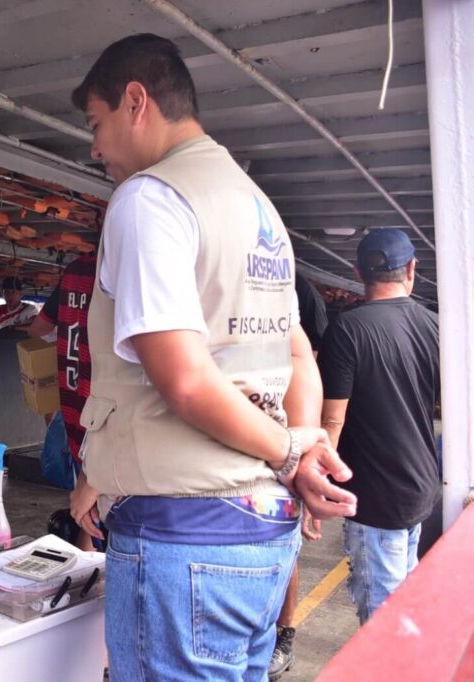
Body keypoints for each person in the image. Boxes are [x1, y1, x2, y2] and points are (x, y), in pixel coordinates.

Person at [66, 34, 357, 680]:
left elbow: (188, 381)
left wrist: (289, 452)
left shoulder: (150, 200)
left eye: (97, 123)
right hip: (262, 540)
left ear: (135, 101)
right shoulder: (259, 211)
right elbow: (297, 360)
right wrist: (297, 453)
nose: (94, 147)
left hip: (184, 538)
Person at [318, 228, 439, 625]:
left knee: (382, 623)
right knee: (404, 610)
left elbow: (332, 417)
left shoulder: (348, 329)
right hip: (420, 486)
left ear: (358, 272)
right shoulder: (435, 326)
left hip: (373, 498)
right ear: (411, 270)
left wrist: (320, 484)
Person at [269, 274, 330, 680]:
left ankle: (284, 636)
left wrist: (304, 456)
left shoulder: (297, 288)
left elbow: (307, 356)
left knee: (287, 547)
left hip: (285, 430)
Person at [25, 255, 97, 545]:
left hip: (74, 402)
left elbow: (37, 330)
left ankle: (87, 576)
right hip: (109, 411)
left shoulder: (74, 274)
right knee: (100, 516)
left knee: (88, 512)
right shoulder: (131, 269)